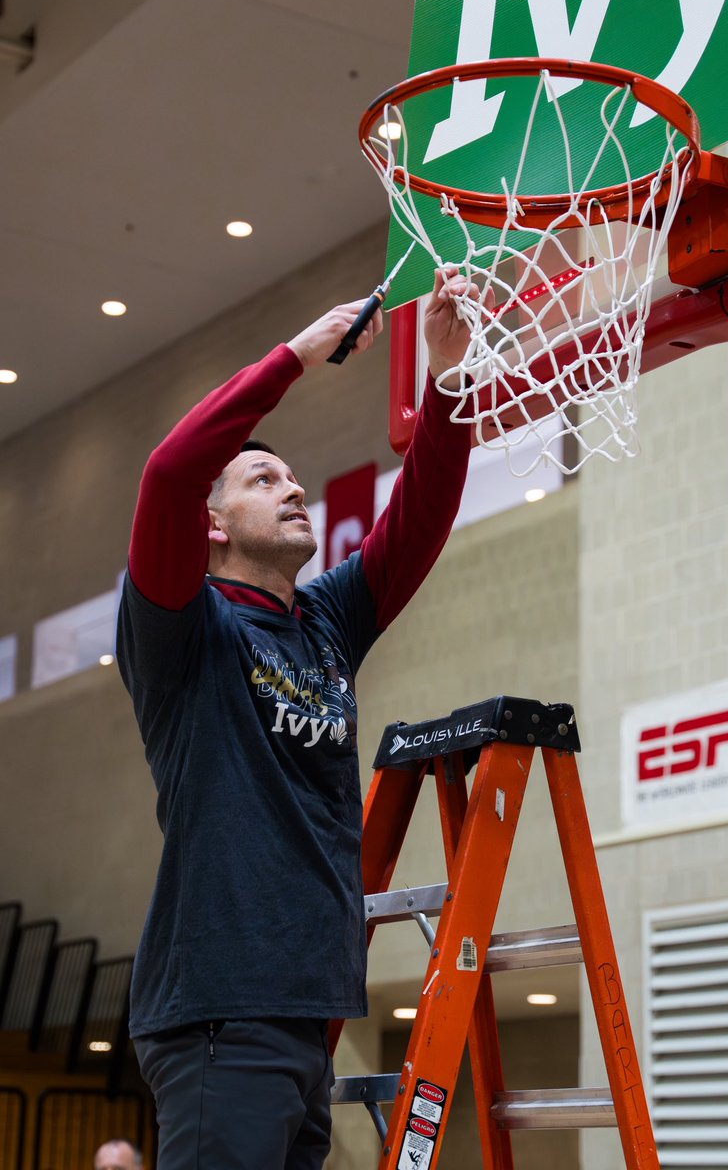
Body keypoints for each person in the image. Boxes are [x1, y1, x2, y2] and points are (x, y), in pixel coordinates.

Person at [116, 269, 478, 1169]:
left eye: (292, 476)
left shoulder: (323, 620)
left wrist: (444, 377)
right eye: (261, 477)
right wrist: (294, 358)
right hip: (218, 1012)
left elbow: (421, 513)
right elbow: (167, 473)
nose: (292, 488)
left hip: (308, 1011)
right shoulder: (181, 624)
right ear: (211, 523)